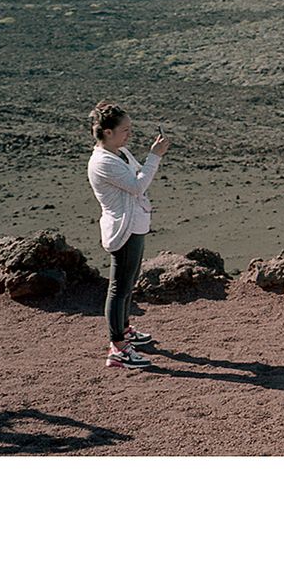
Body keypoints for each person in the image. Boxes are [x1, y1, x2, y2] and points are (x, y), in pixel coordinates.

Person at [86, 101, 170, 370]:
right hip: (123, 228)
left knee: (128, 281)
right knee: (118, 288)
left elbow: (134, 178)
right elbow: (137, 185)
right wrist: (154, 156)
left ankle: (124, 330)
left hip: (134, 224)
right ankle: (118, 348)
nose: (129, 134)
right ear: (107, 132)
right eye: (124, 129)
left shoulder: (119, 151)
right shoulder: (103, 162)